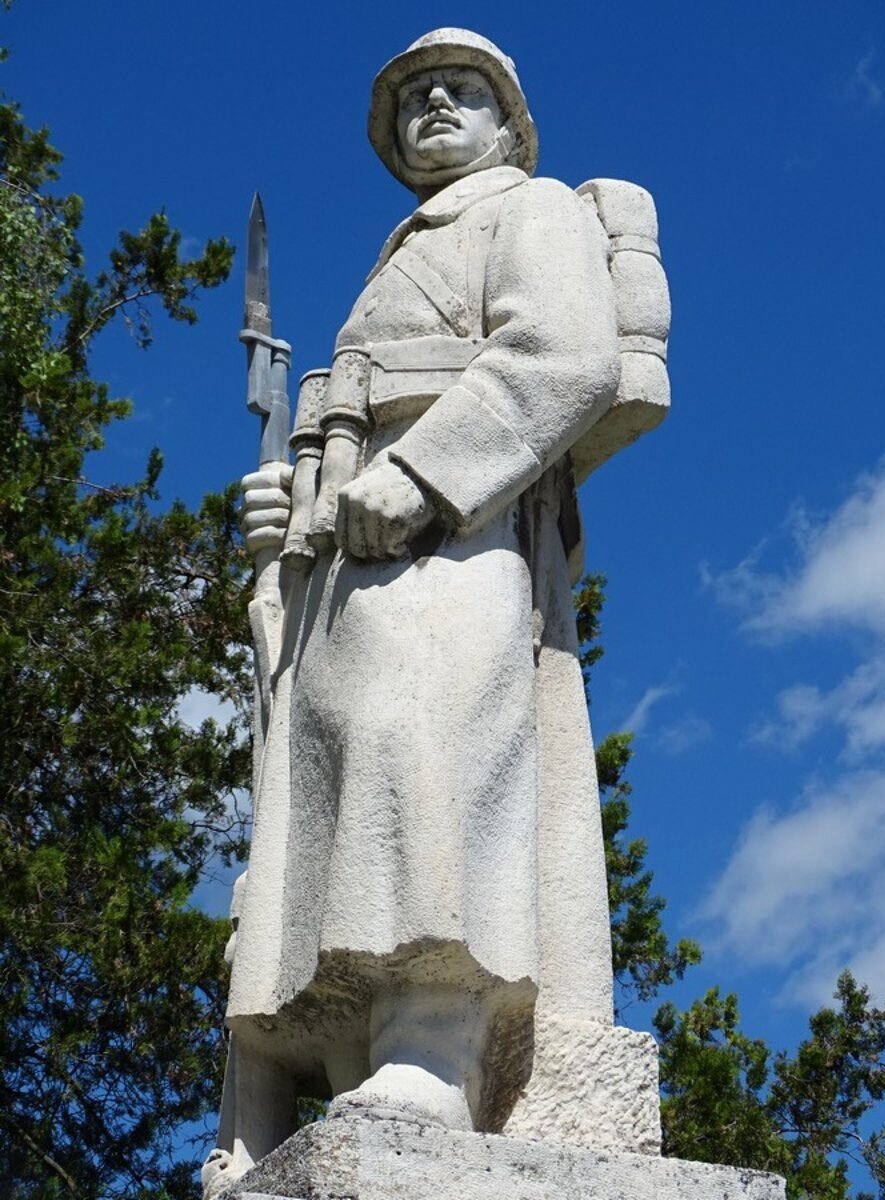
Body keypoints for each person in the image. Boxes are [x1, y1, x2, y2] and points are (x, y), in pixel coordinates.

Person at [203, 28, 636, 1198]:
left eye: (464, 91)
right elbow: (350, 414)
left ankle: (436, 1047)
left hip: (462, 520)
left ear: (511, 123)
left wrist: (426, 474)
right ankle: (361, 1044)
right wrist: (288, 507)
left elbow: (566, 356)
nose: (435, 106)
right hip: (350, 545)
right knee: (348, 771)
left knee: (425, 753)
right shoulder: (393, 260)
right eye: (414, 98)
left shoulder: (531, 211)